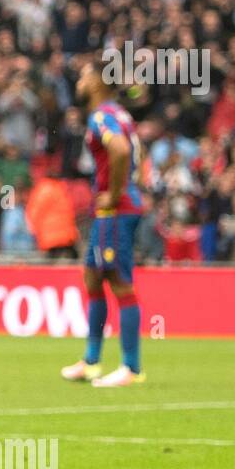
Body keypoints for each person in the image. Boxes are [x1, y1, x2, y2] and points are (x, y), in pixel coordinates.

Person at [61, 64, 146, 387]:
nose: (80, 81)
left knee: (119, 281)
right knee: (92, 276)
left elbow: (121, 149)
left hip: (116, 209)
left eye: (84, 75)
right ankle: (92, 360)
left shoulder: (101, 116)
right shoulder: (120, 113)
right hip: (116, 208)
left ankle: (131, 367)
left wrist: (115, 191)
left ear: (97, 80)